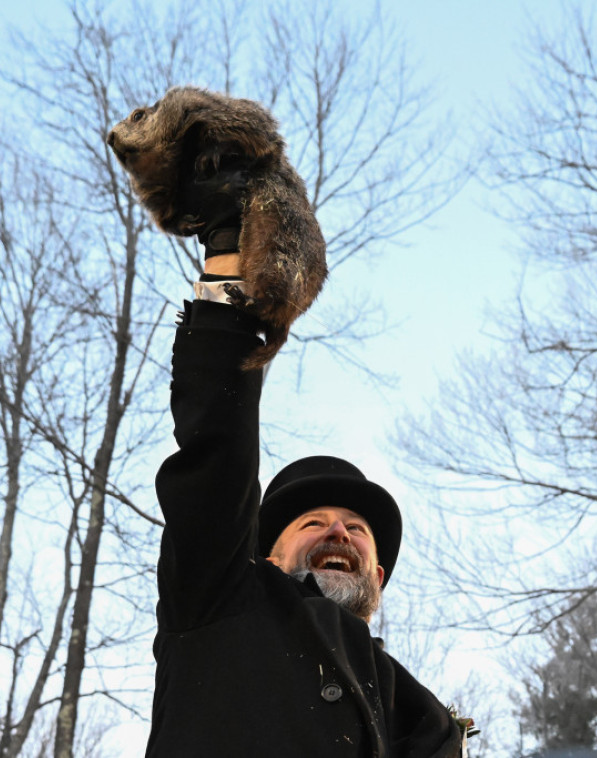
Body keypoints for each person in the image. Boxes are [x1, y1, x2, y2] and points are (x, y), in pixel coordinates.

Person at [145, 197, 463, 756]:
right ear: (267, 558)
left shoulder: (423, 720)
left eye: (355, 529)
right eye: (312, 522)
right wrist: (230, 266)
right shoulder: (218, 603)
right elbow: (217, 463)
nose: (337, 533)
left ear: (379, 577)